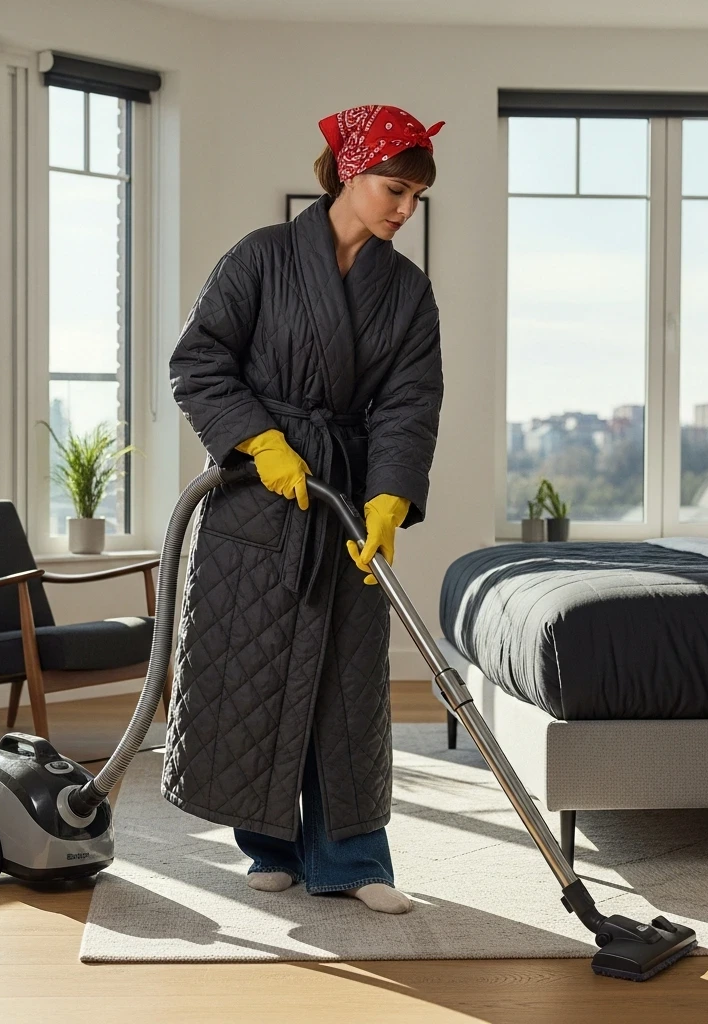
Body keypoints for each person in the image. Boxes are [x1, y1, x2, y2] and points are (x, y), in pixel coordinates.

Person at [165, 105, 445, 915]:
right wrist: (260, 441)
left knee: (347, 683)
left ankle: (354, 857)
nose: (403, 209)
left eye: (416, 198)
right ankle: (268, 843)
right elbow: (199, 362)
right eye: (395, 189)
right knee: (254, 669)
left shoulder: (409, 293)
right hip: (258, 501)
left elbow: (410, 403)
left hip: (347, 503)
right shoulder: (260, 258)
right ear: (350, 174)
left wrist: (391, 493)